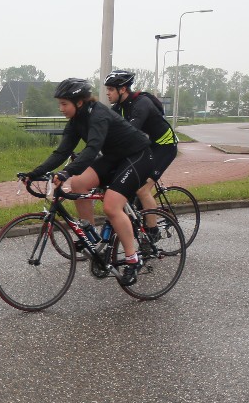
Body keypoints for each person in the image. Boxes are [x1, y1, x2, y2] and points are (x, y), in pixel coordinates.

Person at [20, 77, 152, 286]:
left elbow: (92, 149)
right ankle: (92, 238)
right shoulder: (76, 121)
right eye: (59, 104)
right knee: (78, 184)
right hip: (114, 157)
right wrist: (34, 173)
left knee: (111, 206)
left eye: (64, 104)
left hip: (138, 156)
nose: (61, 109)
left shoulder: (98, 115)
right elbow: (61, 152)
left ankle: (132, 259)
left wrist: (66, 172)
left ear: (79, 102)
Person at [104, 70, 176, 230]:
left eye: (110, 89)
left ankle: (152, 231)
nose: (107, 93)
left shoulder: (142, 103)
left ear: (122, 89)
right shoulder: (118, 108)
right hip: (147, 147)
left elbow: (130, 132)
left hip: (165, 146)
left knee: (142, 190)